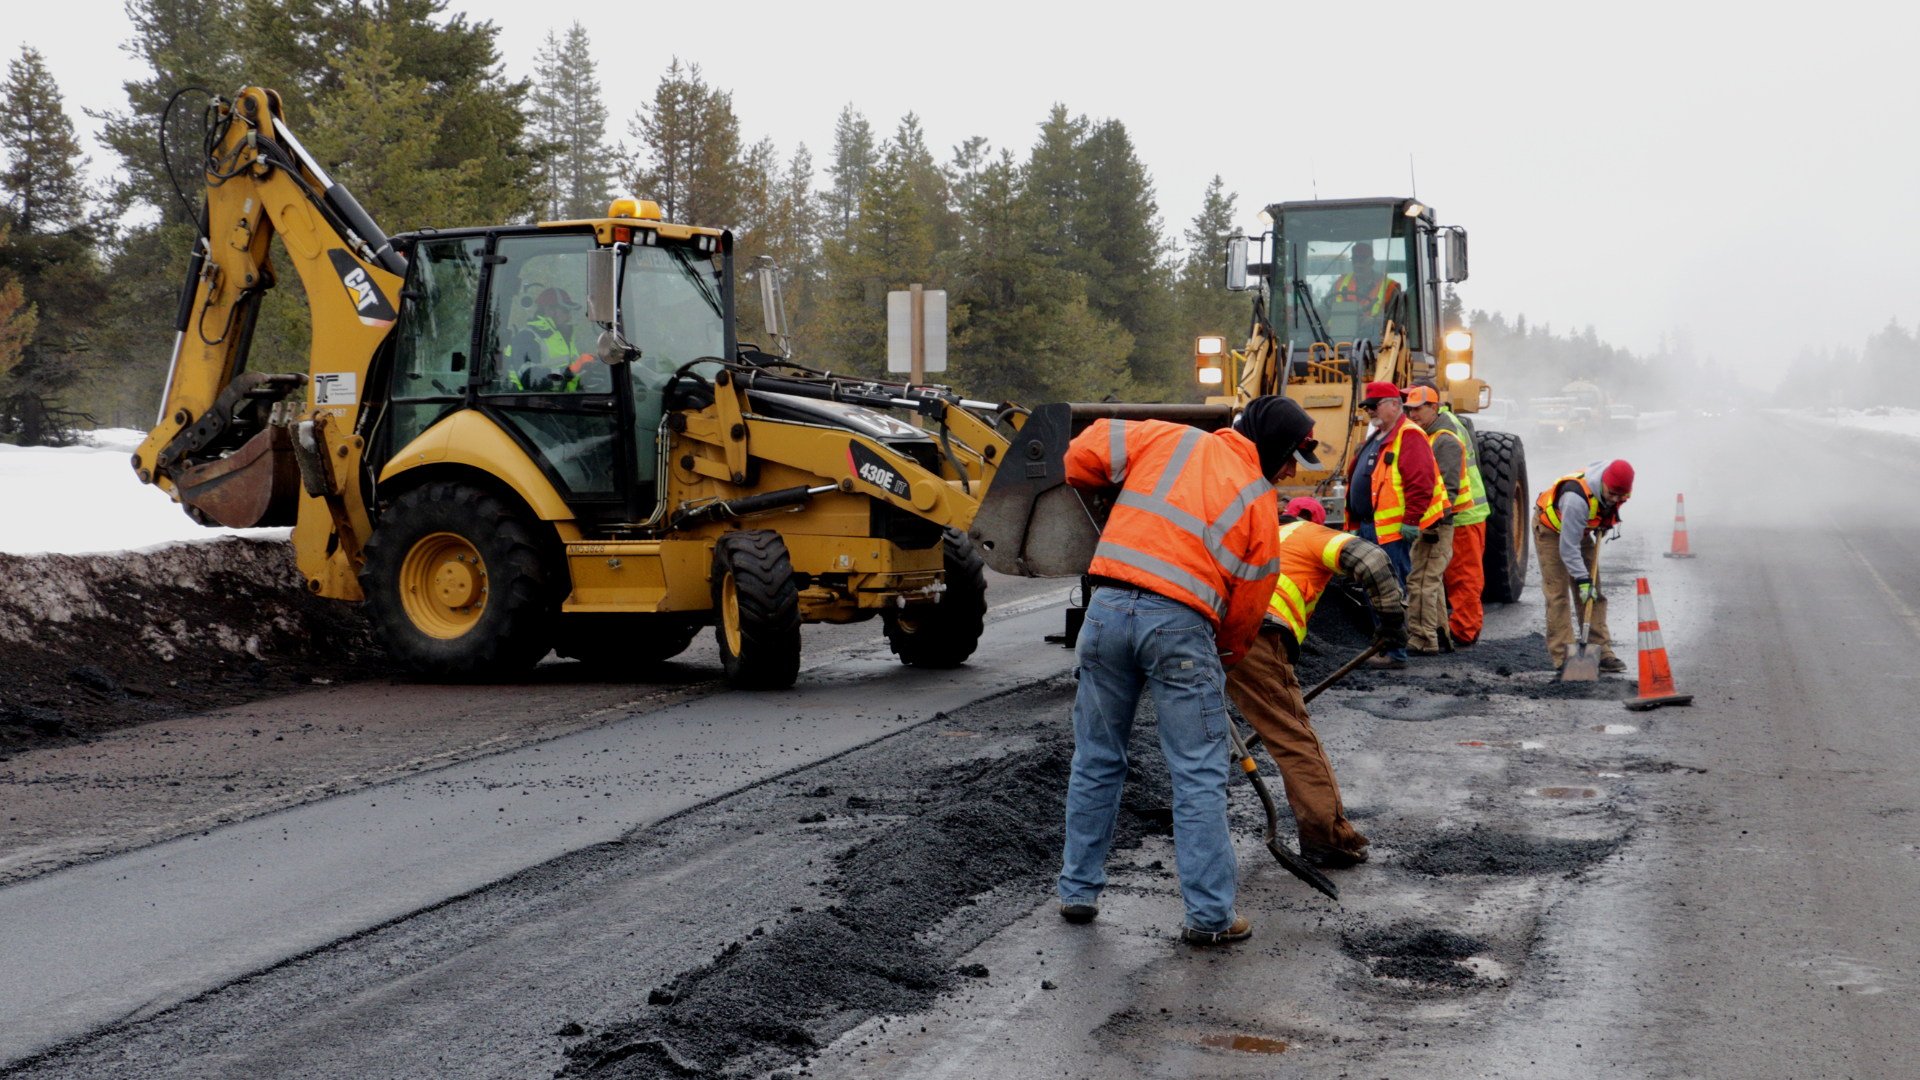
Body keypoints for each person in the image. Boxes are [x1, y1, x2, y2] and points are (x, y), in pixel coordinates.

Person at [1056, 396, 1321, 947]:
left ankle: (1078, 892)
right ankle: (1210, 918)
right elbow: (1247, 608)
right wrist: (1218, 662)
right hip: (1180, 628)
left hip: (1104, 613)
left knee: (1097, 758)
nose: (1293, 470)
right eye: (1293, 456)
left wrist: (1115, 490)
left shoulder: (1168, 438)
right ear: (1272, 447)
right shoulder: (1258, 501)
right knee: (1198, 773)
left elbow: (1078, 456)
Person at [1225, 496, 1405, 868]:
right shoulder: (1309, 534)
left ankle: (1194, 820)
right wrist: (1391, 621)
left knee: (1202, 733)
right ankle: (1327, 837)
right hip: (1254, 635)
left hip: (1199, 630)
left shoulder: (1251, 536)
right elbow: (1371, 559)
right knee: (1294, 737)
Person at [1343, 381, 1444, 669]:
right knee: (1375, 590)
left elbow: (1421, 482)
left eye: (1374, 405)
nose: (1370, 411)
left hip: (1390, 533)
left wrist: (1411, 521)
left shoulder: (1409, 435)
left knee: (1389, 591)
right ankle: (1386, 648)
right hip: (1369, 528)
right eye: (1367, 406)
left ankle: (1394, 653)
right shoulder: (1379, 435)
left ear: (1394, 405)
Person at [1535, 460, 1634, 674]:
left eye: (1620, 496)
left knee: (1594, 593)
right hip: (1552, 530)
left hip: (1579, 529)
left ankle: (1601, 651)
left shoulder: (1618, 490)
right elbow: (1568, 548)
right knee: (1558, 594)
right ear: (1603, 484)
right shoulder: (1575, 499)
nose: (1616, 499)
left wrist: (1605, 522)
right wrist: (1582, 579)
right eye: (1612, 494)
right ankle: (1563, 657)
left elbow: (1608, 508)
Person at [1403, 385, 1466, 654]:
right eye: (1410, 409)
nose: (1413, 414)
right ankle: (1440, 635)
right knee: (1431, 582)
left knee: (1422, 582)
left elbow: (1447, 490)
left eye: (1418, 409)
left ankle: (1423, 639)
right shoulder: (1425, 437)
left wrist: (1431, 525)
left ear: (1434, 407)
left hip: (1437, 525)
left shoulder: (1445, 441)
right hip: (1429, 523)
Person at [511, 287, 598, 391]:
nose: (570, 316)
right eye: (565, 310)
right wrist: (570, 371)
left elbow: (570, 380)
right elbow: (529, 380)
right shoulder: (526, 337)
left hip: (566, 402)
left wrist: (586, 372)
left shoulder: (565, 338)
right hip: (538, 405)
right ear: (549, 310)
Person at [1326, 243, 1404, 321]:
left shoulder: (1389, 287)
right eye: (1355, 261)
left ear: (1372, 262)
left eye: (1362, 261)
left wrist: (1375, 320)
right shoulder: (1339, 283)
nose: (1358, 265)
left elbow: (1399, 316)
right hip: (1337, 332)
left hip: (1375, 332)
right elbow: (1324, 308)